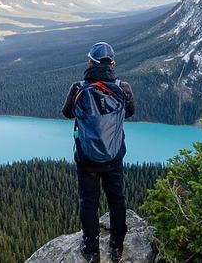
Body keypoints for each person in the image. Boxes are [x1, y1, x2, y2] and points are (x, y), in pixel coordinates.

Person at [62, 42, 135, 263]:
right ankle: (116, 247)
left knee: (89, 202)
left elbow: (67, 113)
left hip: (87, 158)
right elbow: (129, 112)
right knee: (117, 200)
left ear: (90, 62)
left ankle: (92, 250)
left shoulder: (78, 88)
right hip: (114, 156)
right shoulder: (124, 88)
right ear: (112, 64)